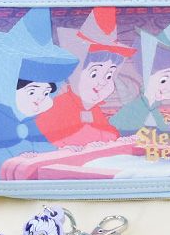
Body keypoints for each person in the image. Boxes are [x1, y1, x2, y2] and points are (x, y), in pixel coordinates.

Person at [0, 8, 76, 175]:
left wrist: (62, 151)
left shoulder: (33, 119)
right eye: (32, 92)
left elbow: (43, 143)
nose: (40, 99)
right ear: (6, 85)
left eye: (46, 93)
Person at [36, 8, 134, 147]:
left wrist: (114, 140)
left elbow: (108, 131)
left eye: (109, 76)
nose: (102, 82)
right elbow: (45, 139)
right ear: (75, 73)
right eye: (94, 74)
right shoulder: (57, 106)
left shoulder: (93, 108)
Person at [109, 7, 170, 134]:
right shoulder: (135, 110)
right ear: (147, 70)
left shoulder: (152, 108)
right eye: (164, 80)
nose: (169, 88)